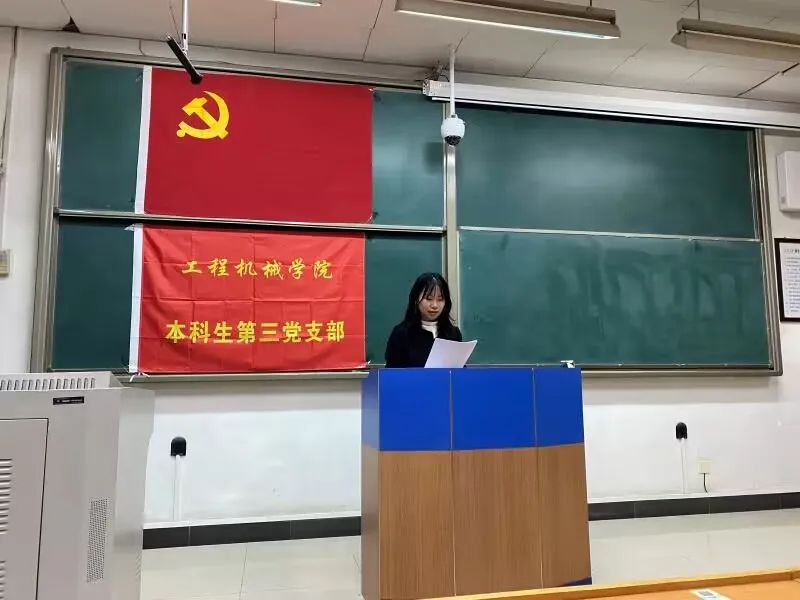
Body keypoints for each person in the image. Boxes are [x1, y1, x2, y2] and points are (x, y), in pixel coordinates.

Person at [385, 272, 462, 368]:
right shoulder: (401, 334)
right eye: (429, 299)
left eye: (440, 299)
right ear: (416, 300)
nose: (434, 305)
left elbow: (460, 371)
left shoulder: (453, 334)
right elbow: (391, 373)